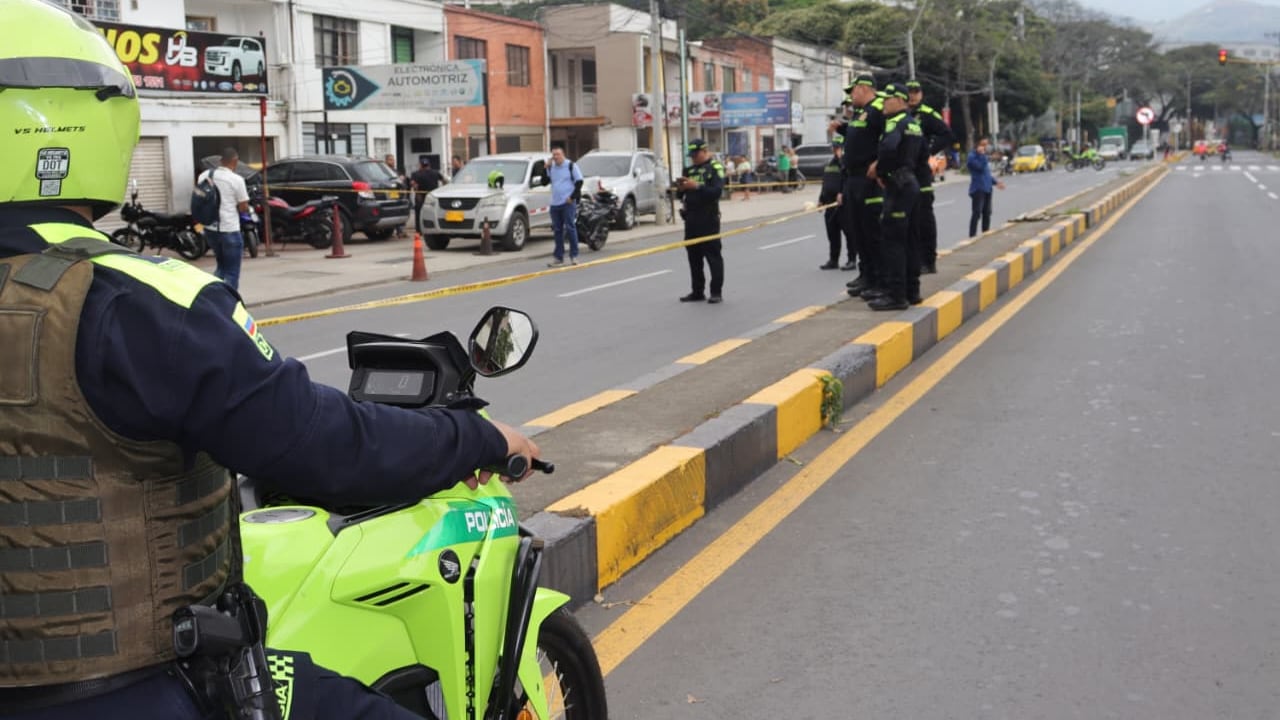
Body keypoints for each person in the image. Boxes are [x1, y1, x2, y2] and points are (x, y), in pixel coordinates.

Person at [0, 3, 540, 719]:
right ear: (89, 120)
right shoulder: (138, 301)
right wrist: (477, 437)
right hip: (140, 689)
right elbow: (323, 444)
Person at [861, 83, 924, 311]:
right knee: (911, 240)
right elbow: (923, 155)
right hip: (911, 183)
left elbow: (888, 149)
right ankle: (912, 291)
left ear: (899, 100)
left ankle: (896, 296)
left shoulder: (895, 123)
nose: (883, 104)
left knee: (893, 241)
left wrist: (880, 170)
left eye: (887, 99)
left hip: (898, 187)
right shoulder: (914, 124)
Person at [832, 74, 887, 286]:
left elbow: (889, 137)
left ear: (863, 88)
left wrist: (880, 163)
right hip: (853, 178)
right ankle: (866, 275)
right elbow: (859, 137)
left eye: (853, 91)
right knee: (858, 231)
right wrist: (841, 128)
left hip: (869, 178)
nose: (851, 96)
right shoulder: (860, 112)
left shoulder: (878, 109)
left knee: (872, 230)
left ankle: (878, 278)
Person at [906, 80, 954, 275]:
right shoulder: (899, 114)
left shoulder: (926, 113)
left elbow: (947, 134)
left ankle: (928, 261)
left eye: (916, 92)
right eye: (909, 92)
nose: (912, 95)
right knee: (908, 219)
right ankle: (914, 259)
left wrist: (928, 151)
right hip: (904, 173)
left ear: (921, 94)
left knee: (924, 218)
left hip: (921, 173)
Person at [675, 138, 726, 304]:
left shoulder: (715, 167)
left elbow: (716, 192)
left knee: (713, 256)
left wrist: (697, 186)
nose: (693, 159)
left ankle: (716, 292)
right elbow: (680, 194)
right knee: (694, 257)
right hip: (691, 219)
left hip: (708, 219)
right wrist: (681, 188)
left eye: (696, 155)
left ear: (705, 151)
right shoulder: (689, 170)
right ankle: (697, 291)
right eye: (691, 156)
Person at [195, 146, 250, 290]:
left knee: (221, 267)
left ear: (220, 161)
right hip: (229, 229)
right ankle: (228, 301)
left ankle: (214, 295)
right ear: (235, 161)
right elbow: (243, 207)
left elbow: (199, 197)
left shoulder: (204, 175)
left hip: (210, 229)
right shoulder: (236, 180)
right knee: (231, 272)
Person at [544, 147, 583, 268]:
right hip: (555, 203)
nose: (556, 157)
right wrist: (545, 168)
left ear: (563, 155)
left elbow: (579, 182)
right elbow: (544, 181)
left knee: (570, 228)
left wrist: (572, 197)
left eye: (558, 154)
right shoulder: (552, 167)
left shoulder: (571, 165)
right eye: (554, 155)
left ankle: (574, 255)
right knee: (557, 230)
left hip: (567, 203)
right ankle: (558, 257)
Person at [818, 135, 848, 270]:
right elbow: (825, 183)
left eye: (838, 147)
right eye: (834, 147)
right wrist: (821, 200)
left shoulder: (846, 163)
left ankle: (852, 259)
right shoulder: (829, 164)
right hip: (830, 205)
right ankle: (833, 260)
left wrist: (841, 158)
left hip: (843, 205)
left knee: (849, 234)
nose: (835, 150)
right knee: (832, 234)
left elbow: (847, 179)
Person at [967, 137, 1005, 237]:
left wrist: (996, 182)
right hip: (978, 189)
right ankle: (972, 235)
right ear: (977, 145)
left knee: (987, 213)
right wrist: (982, 155)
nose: (985, 147)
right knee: (977, 213)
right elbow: (979, 167)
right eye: (983, 145)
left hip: (987, 188)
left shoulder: (983, 157)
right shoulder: (972, 157)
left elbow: (986, 174)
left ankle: (985, 234)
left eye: (986, 145)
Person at [409, 157, 443, 235]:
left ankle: (419, 231)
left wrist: (417, 192)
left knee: (419, 213)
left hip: (420, 197)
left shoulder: (415, 174)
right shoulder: (435, 172)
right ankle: (432, 229)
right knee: (432, 213)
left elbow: (413, 184)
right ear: (429, 165)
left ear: (420, 165)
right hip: (432, 197)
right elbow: (444, 180)